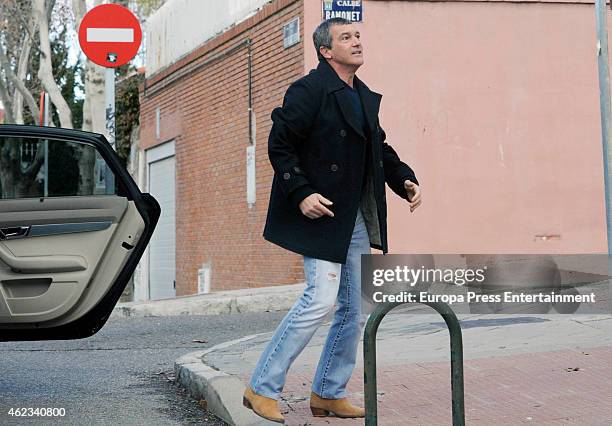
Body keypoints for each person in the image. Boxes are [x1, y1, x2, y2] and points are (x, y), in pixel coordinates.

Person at [242, 17, 422, 424]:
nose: (357, 42)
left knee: (353, 306)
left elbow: (379, 147)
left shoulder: (360, 95)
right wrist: (301, 192)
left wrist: (405, 179)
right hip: (320, 212)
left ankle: (328, 391)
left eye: (358, 36)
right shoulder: (309, 90)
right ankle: (261, 387)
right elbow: (280, 145)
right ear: (326, 51)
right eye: (346, 38)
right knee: (319, 299)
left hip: (352, 216)